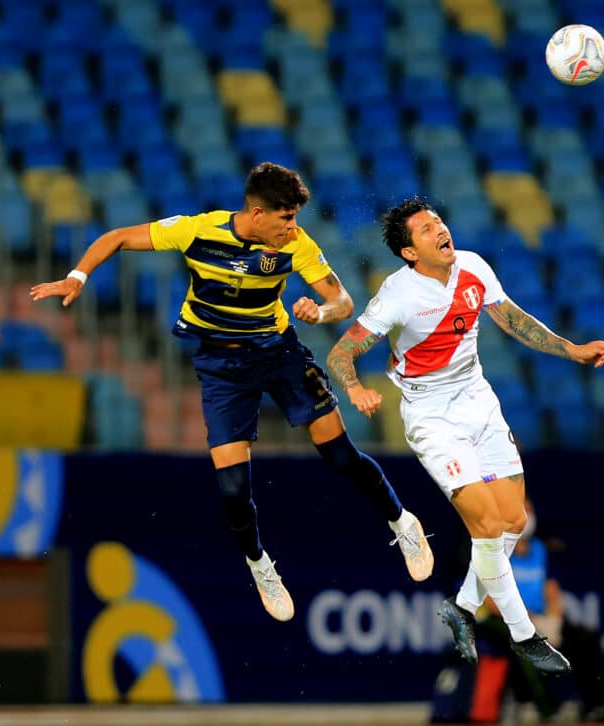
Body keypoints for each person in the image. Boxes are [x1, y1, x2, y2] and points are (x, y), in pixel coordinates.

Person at [30, 162, 433, 622]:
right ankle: (260, 565)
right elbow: (117, 237)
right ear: (257, 214)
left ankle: (403, 522)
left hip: (279, 354)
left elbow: (341, 300)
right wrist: (77, 276)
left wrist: (320, 313)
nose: (293, 228)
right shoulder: (197, 231)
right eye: (286, 219)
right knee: (233, 489)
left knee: (340, 455)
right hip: (222, 366)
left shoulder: (297, 245)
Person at [324, 196, 604, 674]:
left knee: (513, 521)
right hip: (431, 416)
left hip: (479, 401)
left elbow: (514, 319)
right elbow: (340, 354)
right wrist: (354, 388)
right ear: (409, 252)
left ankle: (460, 606)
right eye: (425, 228)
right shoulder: (399, 294)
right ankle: (527, 636)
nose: (440, 229)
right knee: (486, 527)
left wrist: (572, 350)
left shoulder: (474, 266)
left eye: (439, 220)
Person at [476, 498, 604, 722]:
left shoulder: (540, 549)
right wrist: (525, 619)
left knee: (586, 640)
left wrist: (554, 620)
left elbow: (551, 589)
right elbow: (490, 599)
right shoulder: (493, 550)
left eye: (528, 510)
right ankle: (543, 706)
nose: (524, 517)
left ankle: (594, 706)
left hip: (541, 619)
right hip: (507, 620)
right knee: (526, 645)